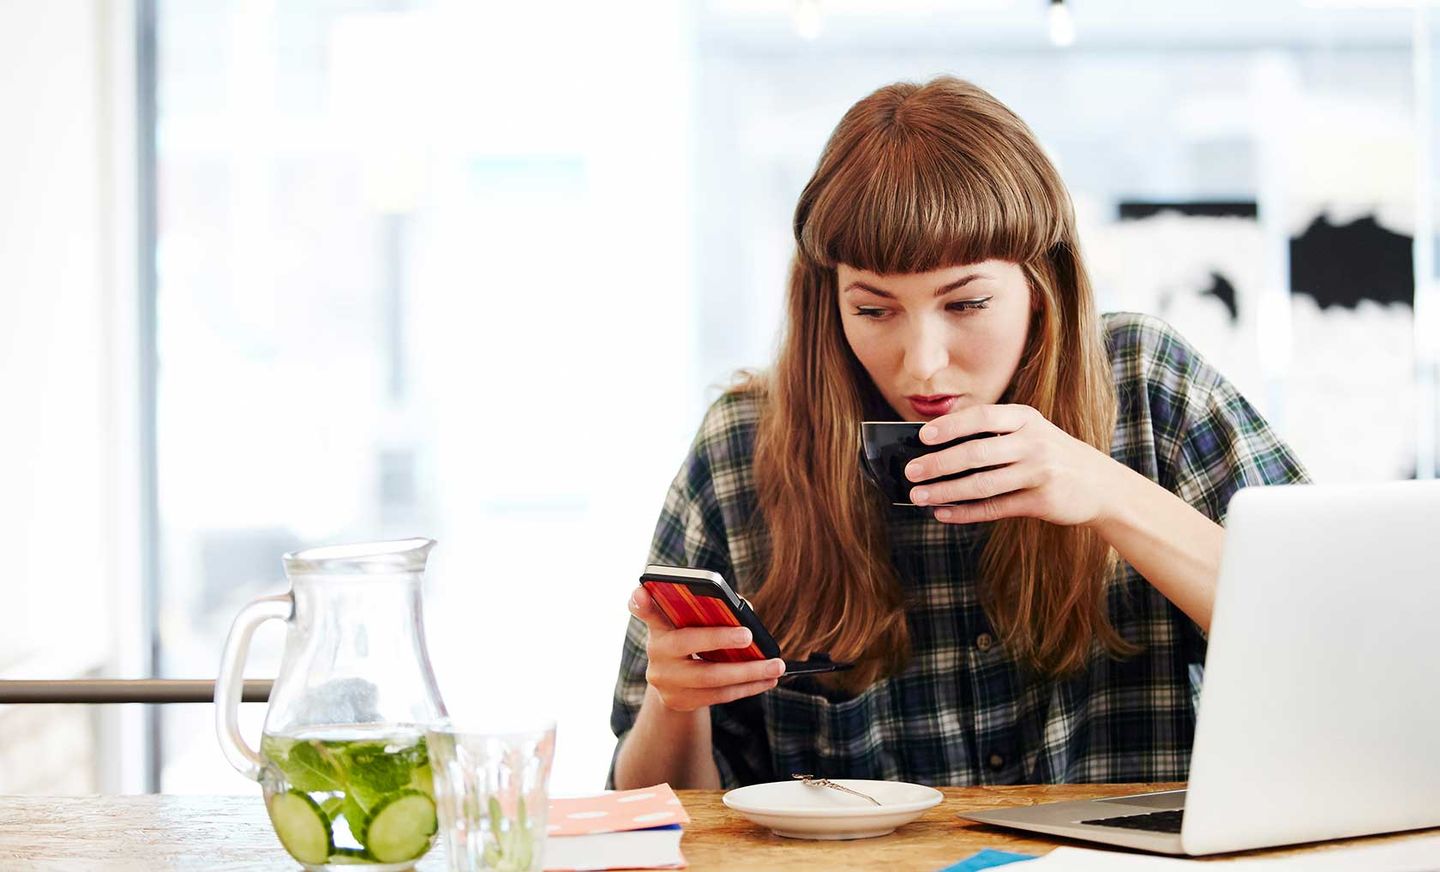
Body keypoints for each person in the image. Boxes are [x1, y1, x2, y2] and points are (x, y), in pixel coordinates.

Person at [608, 76, 1307, 790]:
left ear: (1041, 283)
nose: (922, 363)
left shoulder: (1146, 385)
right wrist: (674, 703)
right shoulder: (744, 445)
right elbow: (646, 810)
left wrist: (1109, 494)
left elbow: (1329, 640)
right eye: (874, 311)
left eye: (967, 303)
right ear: (829, 302)